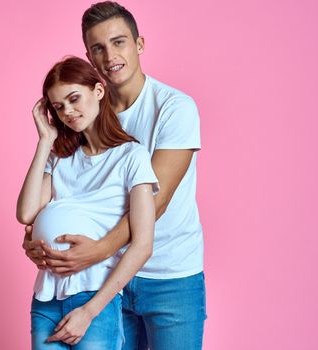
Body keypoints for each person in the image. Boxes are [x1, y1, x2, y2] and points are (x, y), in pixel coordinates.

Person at [22, 2, 207, 349]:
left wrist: (96, 251)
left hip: (170, 277)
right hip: (103, 280)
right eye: (98, 48)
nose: (110, 56)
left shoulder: (174, 108)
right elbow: (70, 190)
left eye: (119, 42)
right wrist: (39, 241)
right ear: (89, 57)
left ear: (139, 44)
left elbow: (158, 198)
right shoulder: (85, 114)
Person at [17, 56, 159, 349]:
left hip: (94, 297)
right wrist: (45, 141)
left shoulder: (132, 156)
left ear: (98, 90)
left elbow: (143, 245)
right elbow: (26, 212)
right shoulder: (60, 157)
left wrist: (90, 311)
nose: (68, 111)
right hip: (46, 297)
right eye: (58, 107)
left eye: (73, 98)